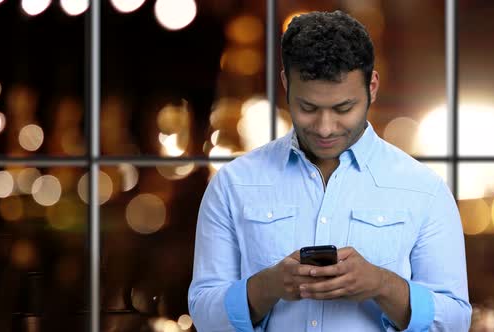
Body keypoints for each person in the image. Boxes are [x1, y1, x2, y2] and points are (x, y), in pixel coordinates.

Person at [188, 10, 471, 331]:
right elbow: (204, 315)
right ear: (285, 84)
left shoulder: (425, 190)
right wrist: (268, 286)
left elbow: (455, 321)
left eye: (343, 108)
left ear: (372, 87)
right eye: (308, 108)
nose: (325, 128)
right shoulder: (232, 183)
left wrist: (381, 285)